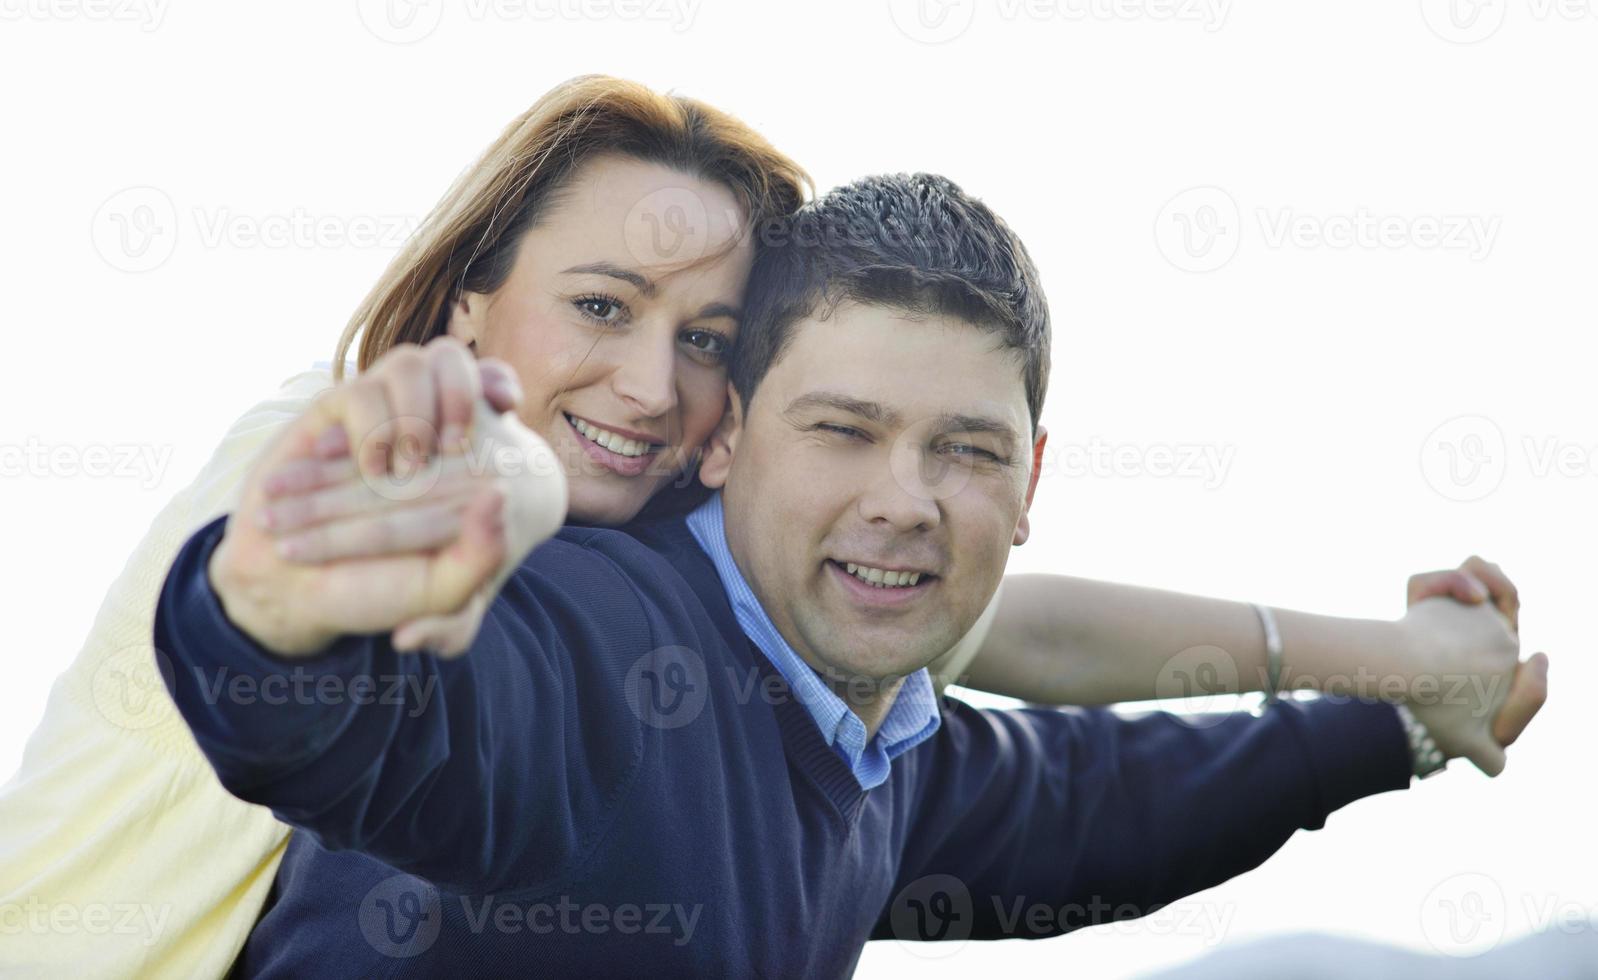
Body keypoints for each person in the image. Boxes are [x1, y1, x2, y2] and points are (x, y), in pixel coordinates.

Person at [0, 75, 1534, 976]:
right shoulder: (387, 481)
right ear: (472, 300)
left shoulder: (819, 682)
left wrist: (1402, 696)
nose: (650, 382)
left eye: (710, 340)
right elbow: (392, 699)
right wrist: (277, 607)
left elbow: (1072, 755)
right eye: (599, 306)